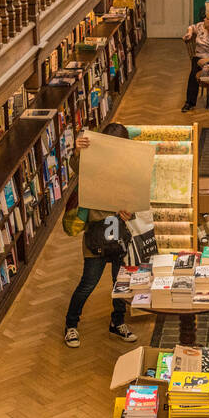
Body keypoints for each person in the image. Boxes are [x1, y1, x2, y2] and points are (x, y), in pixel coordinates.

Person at [60, 122, 140, 348]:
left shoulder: (129, 167)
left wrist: (130, 210)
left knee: (120, 282)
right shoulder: (92, 163)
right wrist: (76, 150)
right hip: (97, 234)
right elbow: (77, 165)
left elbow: (136, 196)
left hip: (120, 233)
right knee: (88, 283)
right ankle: (71, 325)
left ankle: (117, 322)